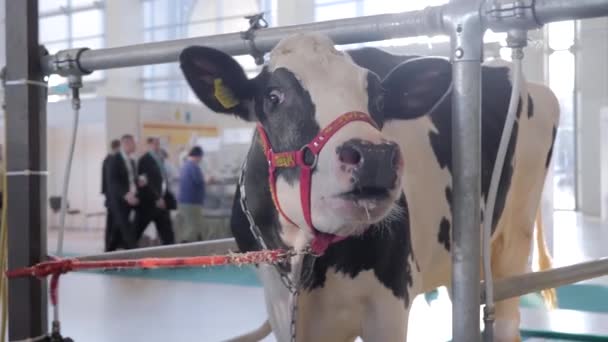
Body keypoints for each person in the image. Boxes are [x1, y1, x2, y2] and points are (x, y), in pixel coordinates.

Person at [134, 137, 175, 245]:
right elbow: (143, 182)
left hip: (161, 202)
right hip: (149, 203)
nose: (157, 146)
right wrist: (156, 198)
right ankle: (126, 251)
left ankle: (171, 254)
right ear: (149, 145)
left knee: (168, 234)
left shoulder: (160, 159)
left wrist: (164, 197)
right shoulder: (144, 160)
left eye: (158, 144)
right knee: (135, 232)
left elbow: (162, 180)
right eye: (154, 144)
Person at [105, 134, 139, 251]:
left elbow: (131, 180)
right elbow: (113, 182)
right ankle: (136, 255)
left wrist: (138, 186)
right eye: (133, 143)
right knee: (126, 228)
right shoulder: (114, 160)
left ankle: (108, 252)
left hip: (130, 200)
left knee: (117, 230)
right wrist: (126, 194)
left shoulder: (132, 161)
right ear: (126, 144)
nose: (135, 146)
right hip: (118, 201)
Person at [177, 146, 213, 242]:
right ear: (198, 156)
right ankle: (185, 247)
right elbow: (199, 181)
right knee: (193, 227)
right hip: (191, 203)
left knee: (195, 226)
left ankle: (195, 244)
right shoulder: (193, 166)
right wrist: (209, 180)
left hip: (186, 202)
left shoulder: (186, 165)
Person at [101, 139, 120, 251]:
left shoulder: (108, 159)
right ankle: (109, 247)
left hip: (110, 197)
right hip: (112, 198)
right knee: (111, 223)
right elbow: (109, 182)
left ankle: (111, 246)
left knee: (113, 223)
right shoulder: (110, 160)